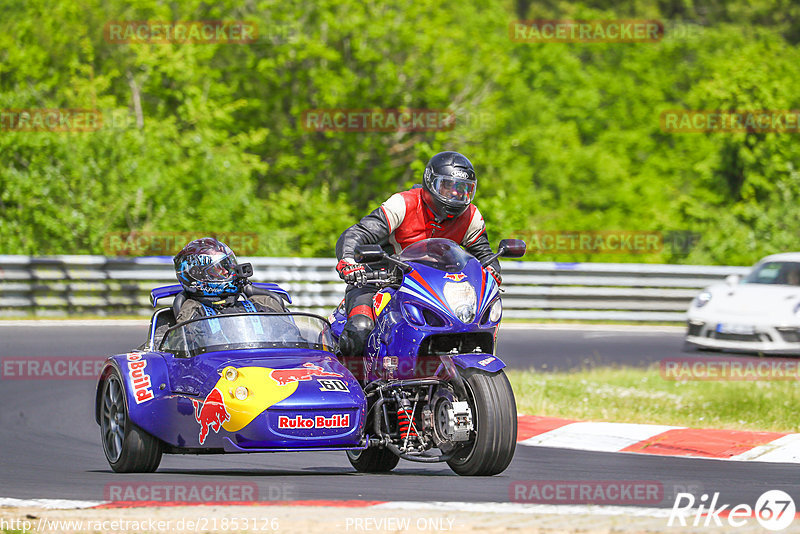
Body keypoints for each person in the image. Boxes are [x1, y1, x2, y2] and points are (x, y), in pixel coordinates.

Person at [334, 151, 501, 359]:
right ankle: (351, 387)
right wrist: (348, 260)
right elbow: (358, 233)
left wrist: (493, 271)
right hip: (380, 280)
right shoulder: (403, 204)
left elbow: (485, 255)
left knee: (469, 323)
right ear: (430, 182)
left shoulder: (471, 217)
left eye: (463, 190)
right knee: (361, 327)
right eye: (448, 187)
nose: (456, 195)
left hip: (432, 287)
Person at [172, 237, 287, 323]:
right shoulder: (192, 313)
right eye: (219, 268)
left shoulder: (263, 304)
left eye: (228, 266)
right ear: (197, 274)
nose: (227, 271)